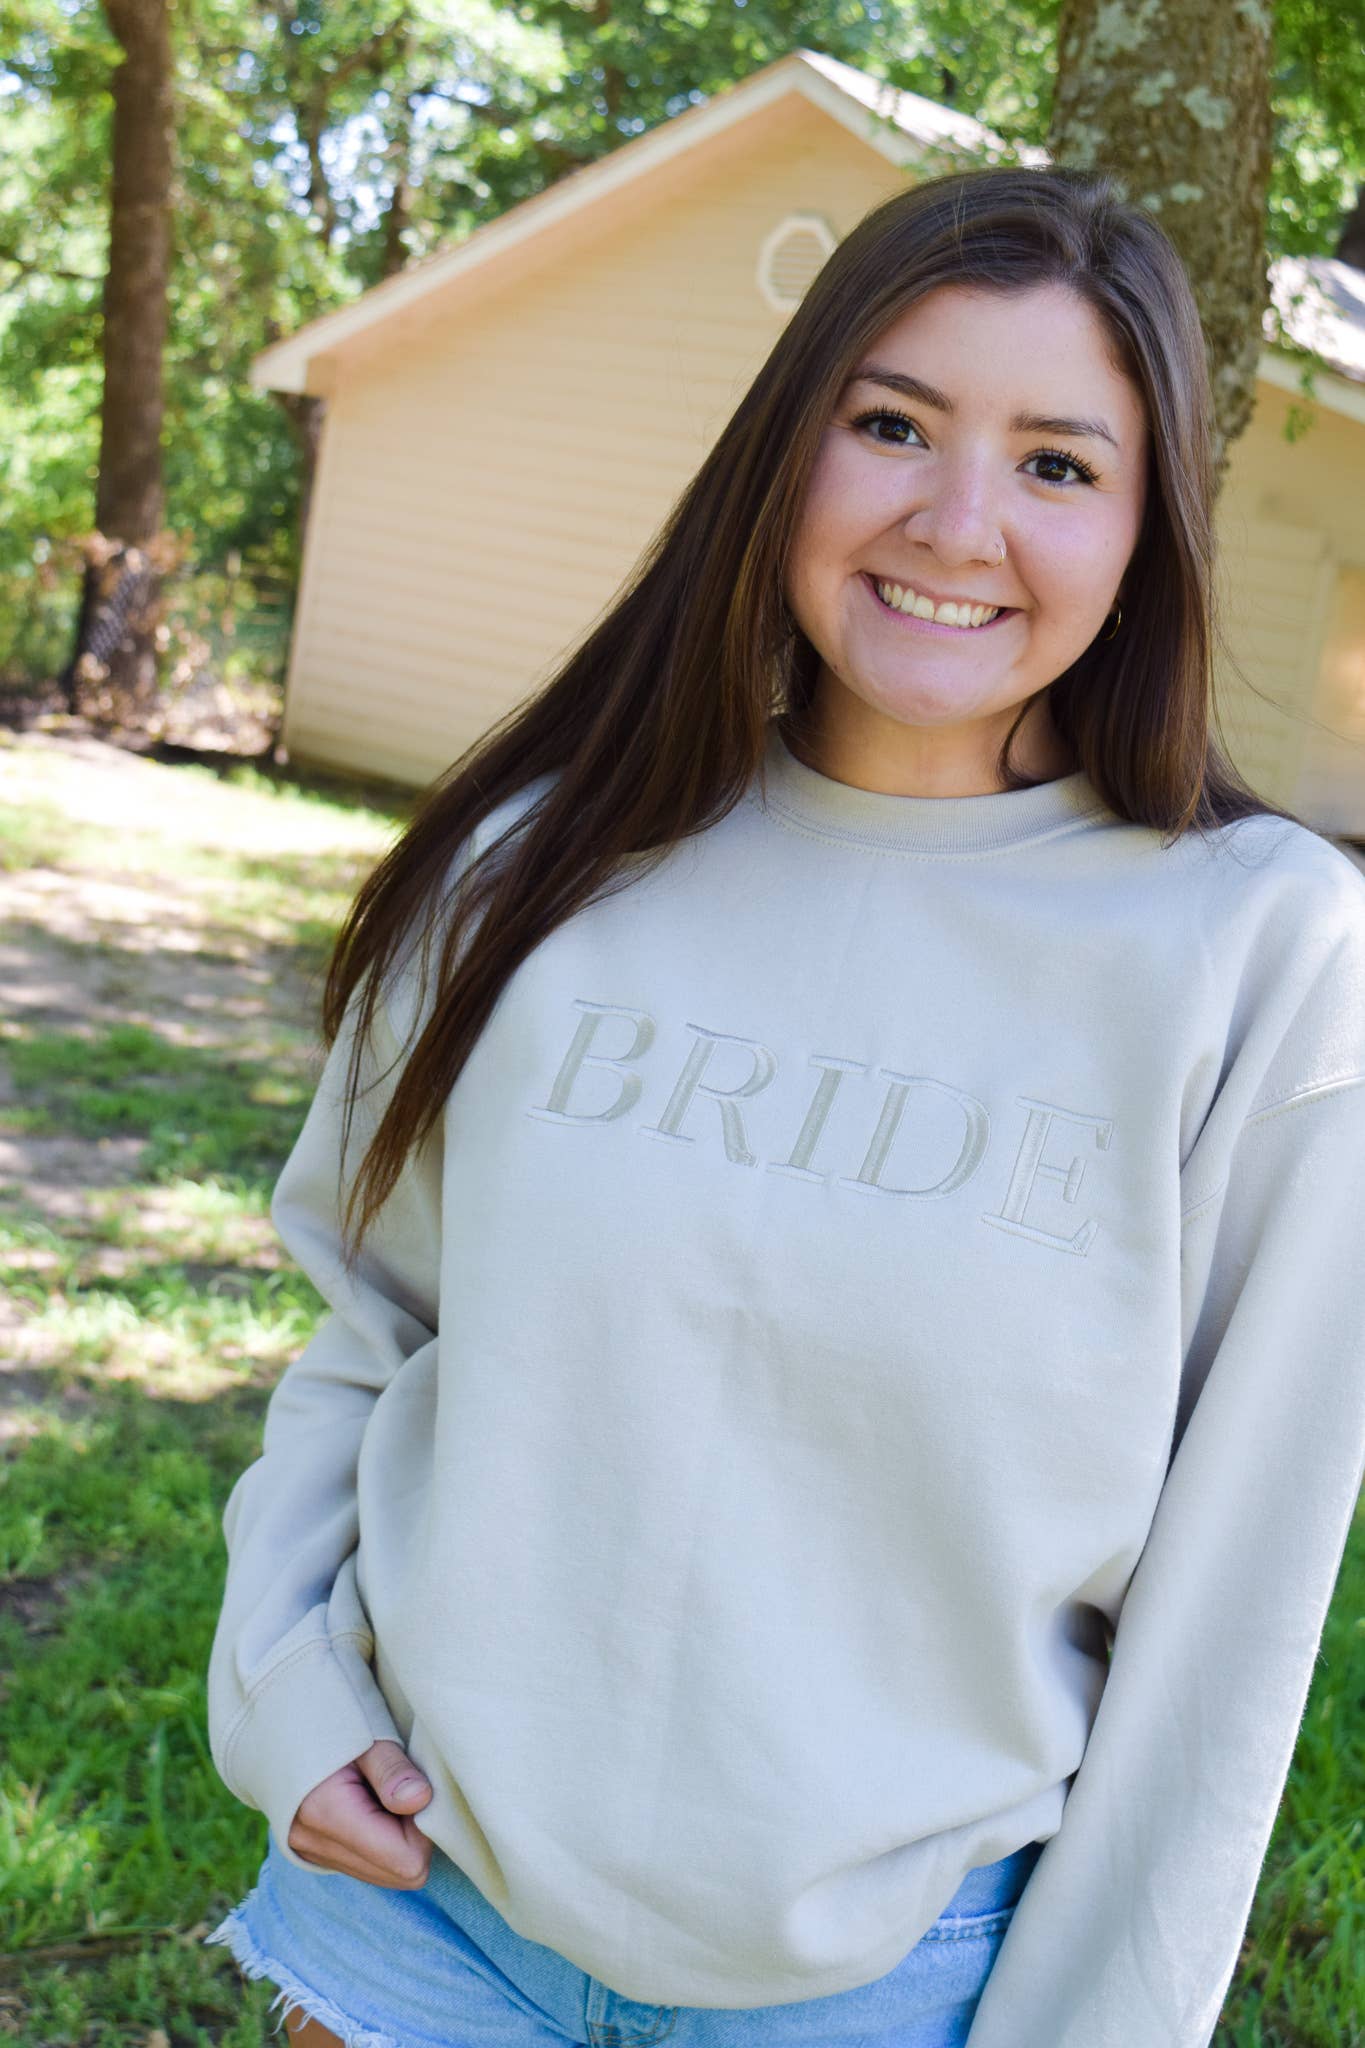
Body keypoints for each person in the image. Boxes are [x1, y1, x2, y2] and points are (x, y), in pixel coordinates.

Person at [202, 162, 1365, 2048]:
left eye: (1057, 464)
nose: (956, 519)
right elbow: (372, 1323)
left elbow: (1233, 1613)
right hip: (423, 1906)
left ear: (1149, 531)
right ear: (785, 455)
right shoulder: (537, 865)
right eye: (890, 424)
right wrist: (283, 1687)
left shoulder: (1260, 955)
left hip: (888, 1984)